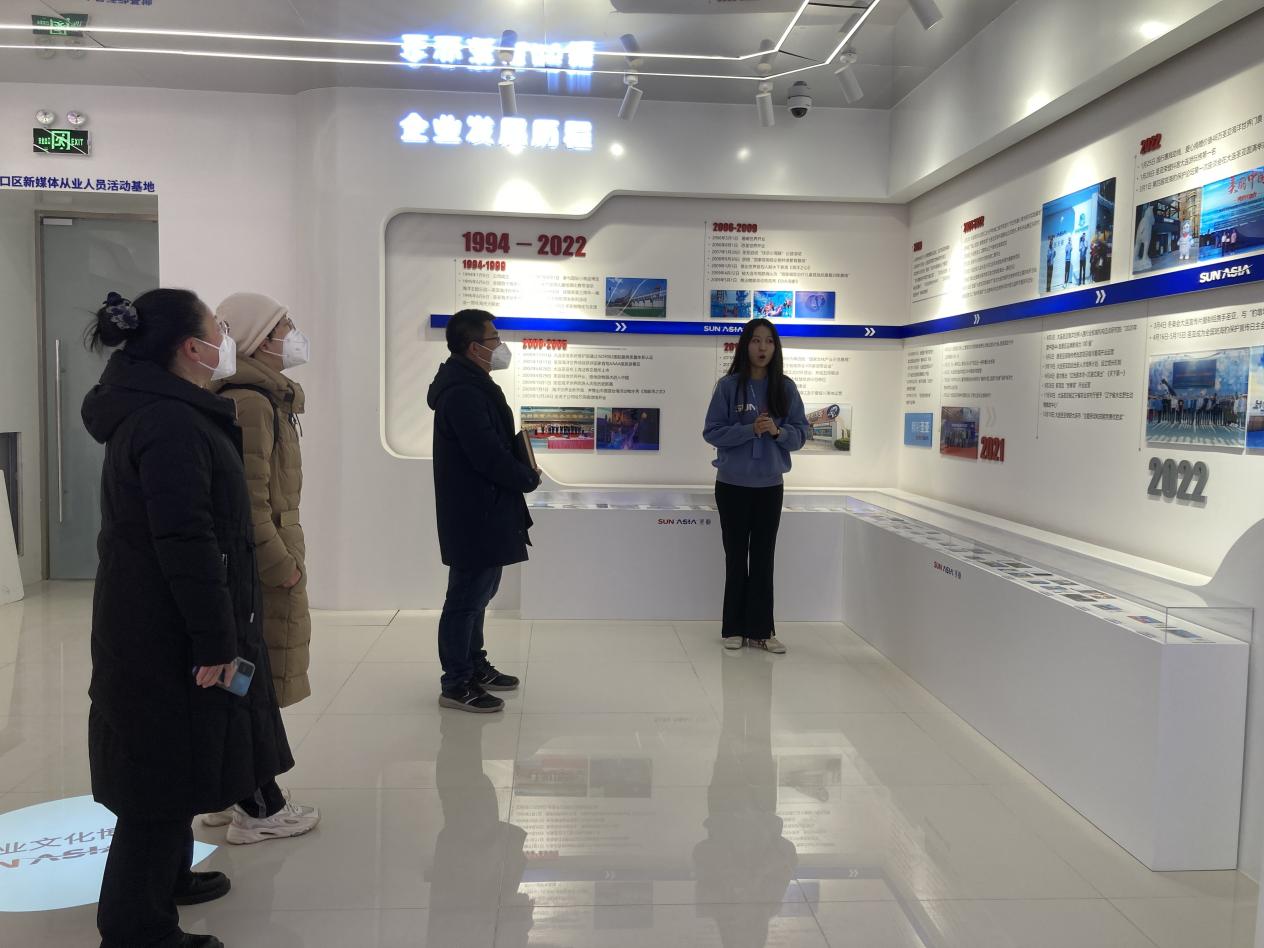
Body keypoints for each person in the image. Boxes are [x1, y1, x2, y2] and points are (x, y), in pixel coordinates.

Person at [81, 289, 296, 948]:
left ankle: (171, 876)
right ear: (189, 348)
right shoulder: (169, 423)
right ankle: (136, 926)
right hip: (164, 629)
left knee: (175, 761)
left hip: (159, 619)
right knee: (157, 774)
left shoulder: (168, 410)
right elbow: (186, 542)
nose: (222, 339)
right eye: (215, 329)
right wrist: (214, 642)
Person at [198, 292, 321, 844]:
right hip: (260, 565)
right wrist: (281, 566)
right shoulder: (251, 403)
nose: (294, 335)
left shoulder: (269, 398)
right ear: (258, 339)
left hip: (265, 558)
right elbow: (249, 504)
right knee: (250, 682)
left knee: (244, 681)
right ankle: (257, 804)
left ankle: (227, 792)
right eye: (284, 326)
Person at [427, 309, 541, 712]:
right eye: (494, 338)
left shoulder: (473, 385)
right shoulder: (463, 393)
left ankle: (474, 664)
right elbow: (487, 454)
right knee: (465, 599)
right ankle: (456, 682)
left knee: (480, 594)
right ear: (475, 348)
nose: (500, 345)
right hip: (474, 513)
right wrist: (526, 477)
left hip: (486, 509)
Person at [703, 318, 810, 654]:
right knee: (736, 557)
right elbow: (712, 432)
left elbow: (800, 435)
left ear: (775, 348)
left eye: (769, 341)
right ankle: (733, 628)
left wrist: (778, 432)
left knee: (763, 558)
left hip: (769, 486)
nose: (762, 348)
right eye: (756, 340)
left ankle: (762, 631)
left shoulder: (785, 388)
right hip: (732, 485)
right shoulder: (728, 386)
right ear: (745, 345)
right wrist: (749, 429)